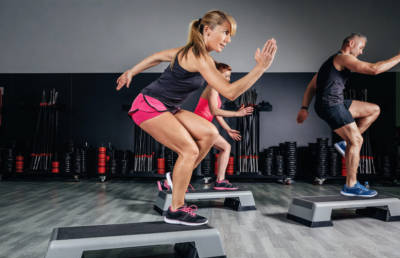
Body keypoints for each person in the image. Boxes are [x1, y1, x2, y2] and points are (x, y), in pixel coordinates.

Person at [117, 10, 277, 225]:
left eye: (231, 35)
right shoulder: (199, 57)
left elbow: (157, 57)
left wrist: (132, 71)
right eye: (225, 33)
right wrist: (261, 68)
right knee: (189, 150)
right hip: (148, 105)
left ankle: (175, 181)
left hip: (169, 107)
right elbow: (229, 92)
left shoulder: (193, 53)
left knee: (210, 133)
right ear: (208, 30)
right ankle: (175, 209)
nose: (228, 40)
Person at [297, 33, 400, 197]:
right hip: (331, 105)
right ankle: (350, 185)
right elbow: (374, 70)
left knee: (374, 109)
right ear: (351, 43)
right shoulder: (342, 58)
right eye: (361, 47)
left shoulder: (329, 62)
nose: (361, 52)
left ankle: (347, 144)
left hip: (334, 103)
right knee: (357, 140)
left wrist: (304, 107)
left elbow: (311, 86)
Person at [194, 62, 253, 190]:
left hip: (203, 127)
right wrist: (237, 114)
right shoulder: (212, 88)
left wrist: (228, 129)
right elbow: (215, 111)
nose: (228, 79)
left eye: (229, 76)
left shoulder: (214, 89)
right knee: (225, 147)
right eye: (225, 76)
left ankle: (171, 179)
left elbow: (216, 114)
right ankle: (220, 181)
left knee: (196, 155)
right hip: (200, 126)